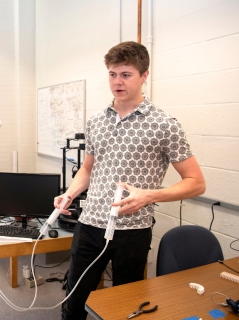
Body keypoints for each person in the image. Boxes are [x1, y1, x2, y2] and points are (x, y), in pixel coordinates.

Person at [56, 41, 205, 320]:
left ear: (144, 75)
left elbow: (196, 182)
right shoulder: (97, 121)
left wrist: (149, 196)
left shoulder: (164, 124)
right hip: (89, 226)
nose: (117, 82)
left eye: (126, 75)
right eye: (112, 74)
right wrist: (70, 193)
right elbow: (87, 169)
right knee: (74, 301)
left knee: (126, 306)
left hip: (133, 231)